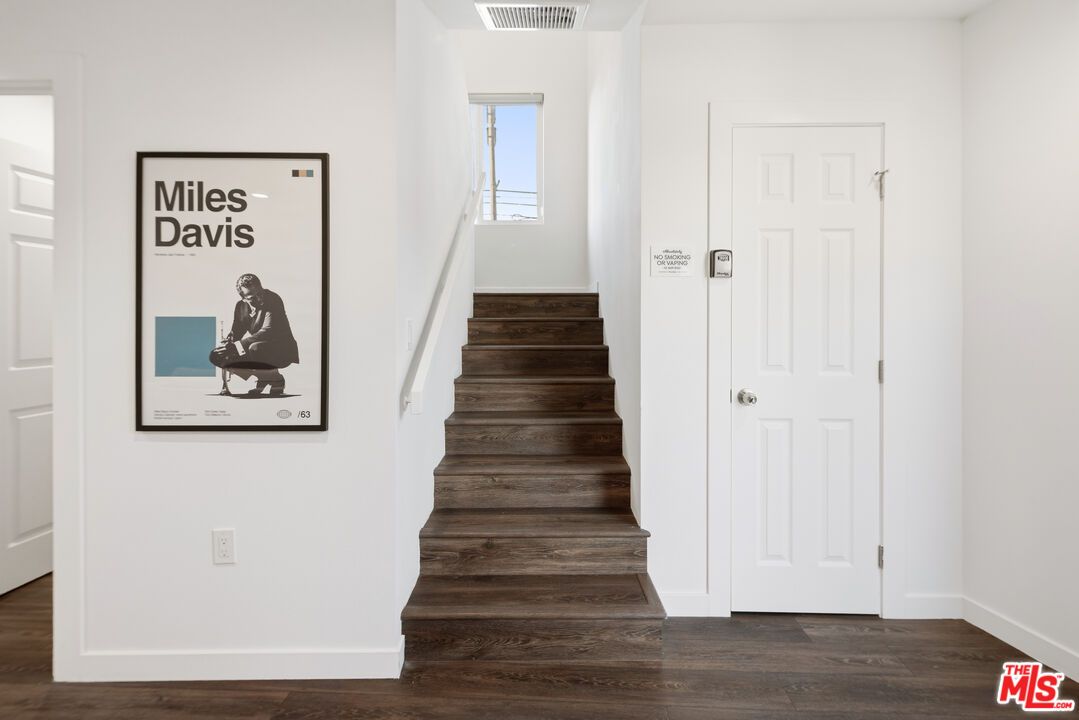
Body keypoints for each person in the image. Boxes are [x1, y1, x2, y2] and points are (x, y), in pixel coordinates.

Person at [209, 274, 299, 396]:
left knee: (255, 348)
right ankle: (264, 377)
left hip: (281, 349)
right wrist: (228, 342)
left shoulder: (273, 299)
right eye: (252, 297)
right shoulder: (240, 307)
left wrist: (237, 346)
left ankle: (276, 379)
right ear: (243, 298)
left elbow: (268, 331)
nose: (259, 298)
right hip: (257, 347)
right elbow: (236, 332)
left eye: (260, 293)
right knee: (216, 355)